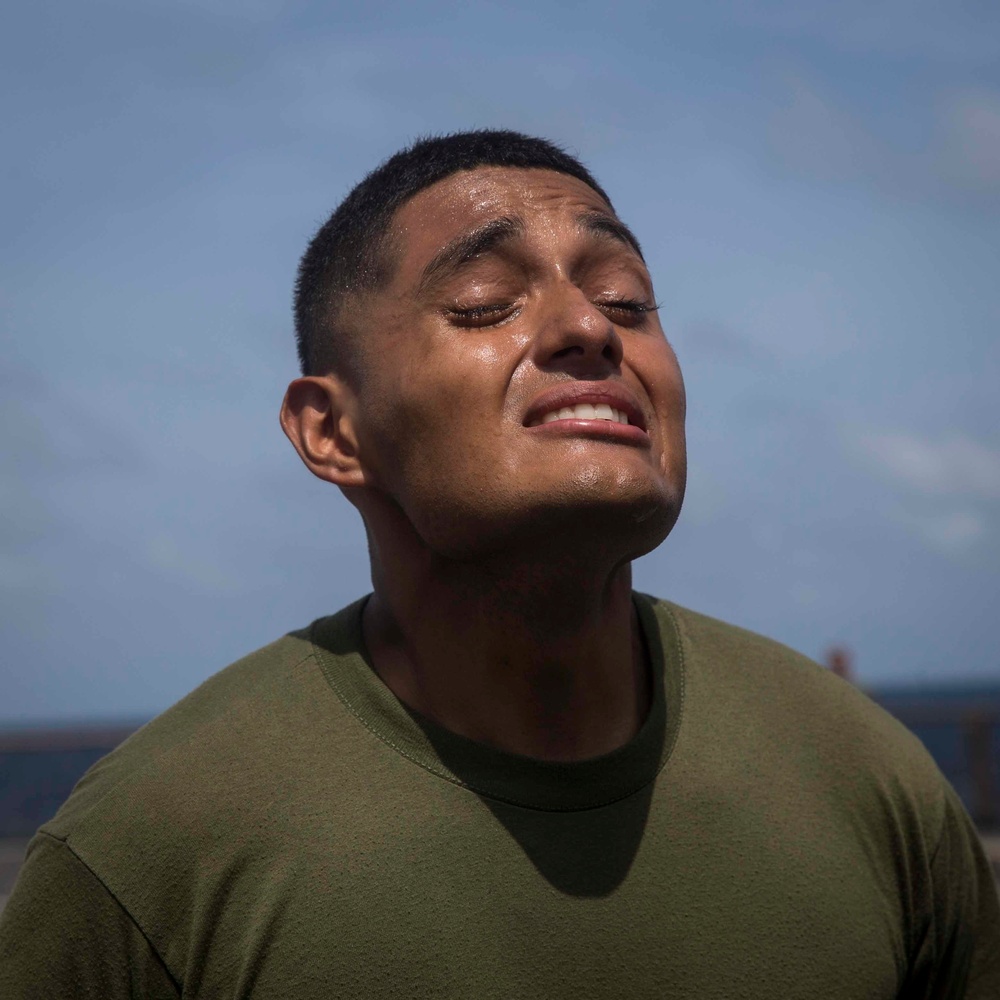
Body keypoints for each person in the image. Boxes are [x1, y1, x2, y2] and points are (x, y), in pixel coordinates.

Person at [1, 130, 997, 998]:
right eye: (483, 302)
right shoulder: (150, 851)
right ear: (332, 431)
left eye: (628, 300)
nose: (588, 326)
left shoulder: (866, 780)